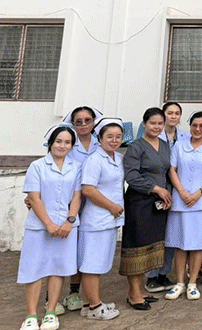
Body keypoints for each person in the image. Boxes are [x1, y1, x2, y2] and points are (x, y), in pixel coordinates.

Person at [17, 126, 81, 330]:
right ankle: (31, 315)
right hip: (39, 227)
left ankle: (51, 312)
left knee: (57, 268)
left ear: (72, 146)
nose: (62, 146)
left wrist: (69, 221)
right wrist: (49, 224)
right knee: (34, 269)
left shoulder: (76, 167)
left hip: (66, 229)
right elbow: (34, 198)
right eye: (58, 141)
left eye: (67, 142)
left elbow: (77, 196)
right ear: (51, 143)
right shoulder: (37, 166)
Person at [164, 112, 202, 300]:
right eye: (194, 125)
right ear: (189, 126)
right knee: (180, 244)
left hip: (201, 202)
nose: (197, 129)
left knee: (197, 245)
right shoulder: (179, 146)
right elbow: (172, 170)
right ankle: (179, 283)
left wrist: (200, 192)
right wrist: (182, 192)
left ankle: (192, 283)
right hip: (180, 201)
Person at [121, 108, 172, 311]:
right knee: (137, 247)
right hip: (139, 202)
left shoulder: (165, 146)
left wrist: (166, 194)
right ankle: (133, 294)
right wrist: (156, 189)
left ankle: (139, 290)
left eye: (160, 123)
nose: (156, 127)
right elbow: (132, 176)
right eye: (153, 123)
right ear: (144, 124)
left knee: (151, 246)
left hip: (158, 204)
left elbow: (167, 173)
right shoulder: (136, 147)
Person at [78, 118, 125, 321]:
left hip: (110, 220)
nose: (114, 140)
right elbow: (88, 189)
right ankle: (96, 307)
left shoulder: (119, 158)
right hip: (96, 220)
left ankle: (88, 304)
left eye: (118, 137)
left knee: (100, 263)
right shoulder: (94, 160)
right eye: (109, 137)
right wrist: (111, 206)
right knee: (92, 264)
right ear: (100, 138)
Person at [62, 106, 102, 312]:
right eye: (79, 122)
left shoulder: (100, 143)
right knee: (65, 248)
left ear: (94, 122)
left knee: (84, 249)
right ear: (73, 124)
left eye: (88, 120)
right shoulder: (66, 142)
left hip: (95, 202)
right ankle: (52, 297)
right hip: (68, 201)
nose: (84, 125)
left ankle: (75, 292)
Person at [145, 102, 186, 293]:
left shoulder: (185, 136)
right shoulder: (152, 136)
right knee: (155, 235)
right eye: (170, 113)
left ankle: (164, 273)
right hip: (157, 191)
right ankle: (151, 276)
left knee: (171, 235)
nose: (173, 116)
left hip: (177, 190)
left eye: (177, 113)